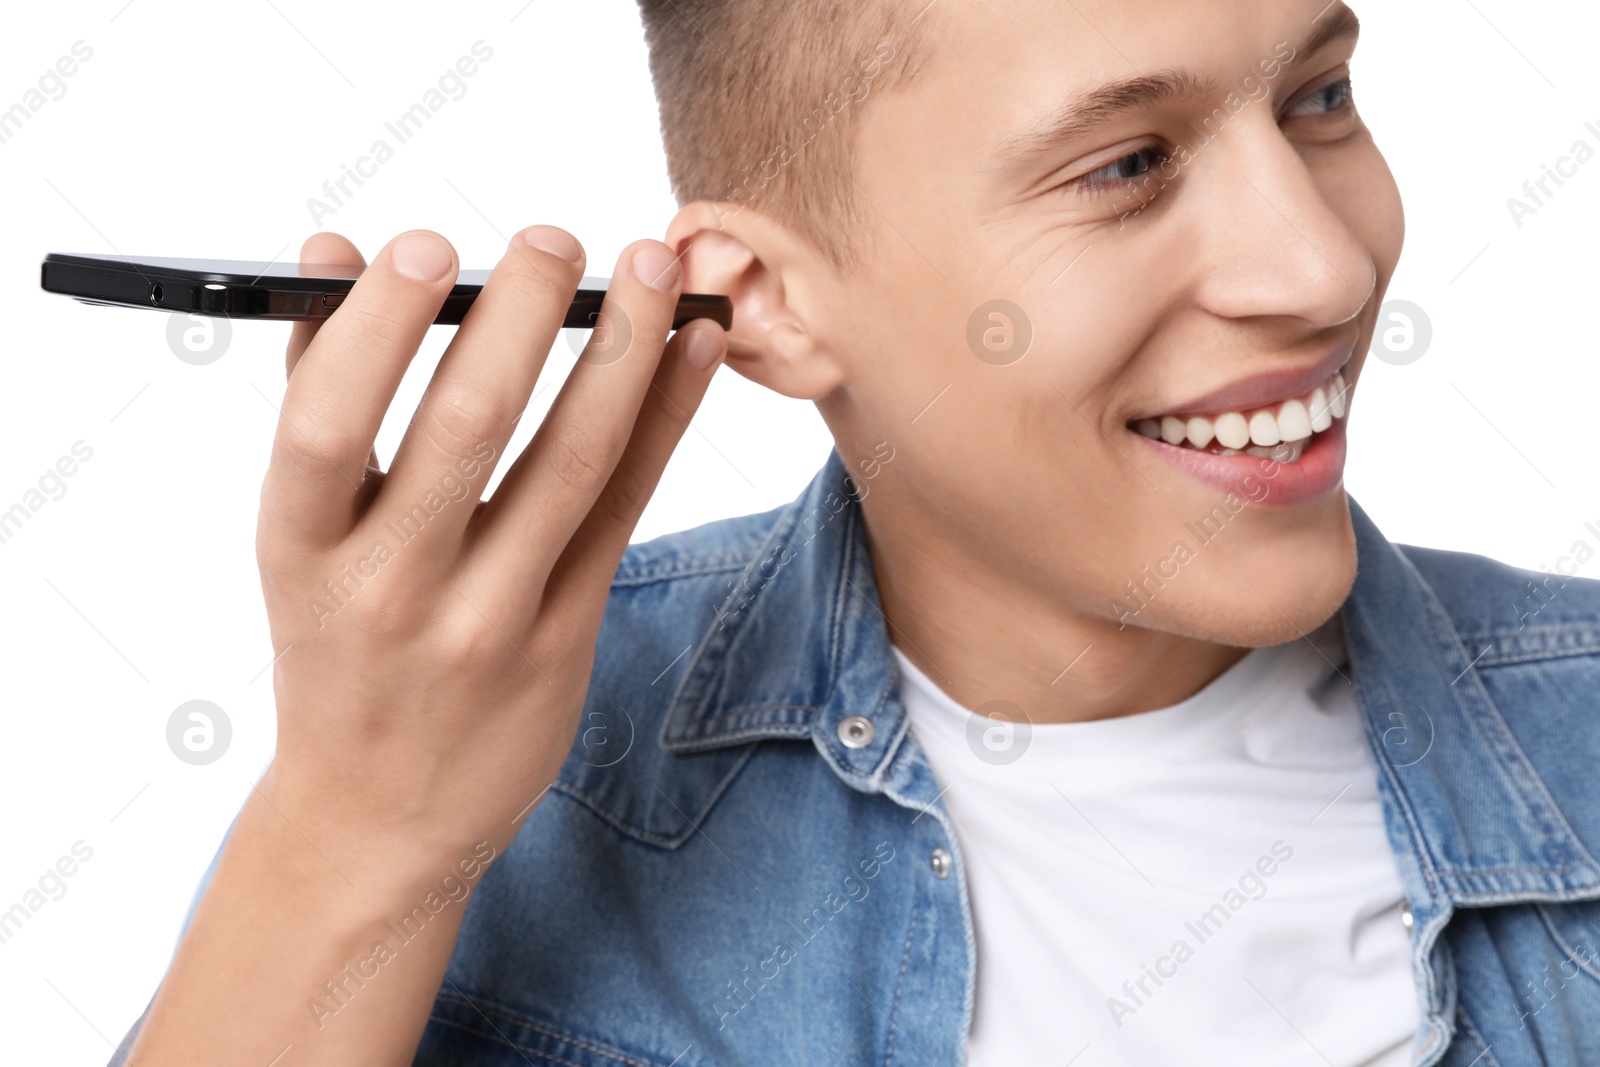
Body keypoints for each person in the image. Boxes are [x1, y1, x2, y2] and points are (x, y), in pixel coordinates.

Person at [118, 0, 1600, 1063]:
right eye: (1127, 166)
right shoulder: (502, 772)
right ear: (764, 304)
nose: (1324, 266)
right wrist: (354, 836)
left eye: (1318, 97)